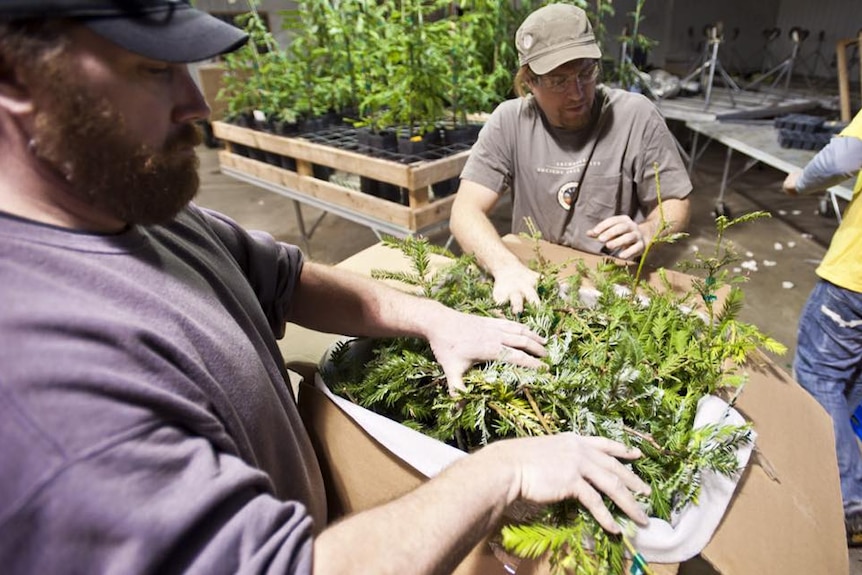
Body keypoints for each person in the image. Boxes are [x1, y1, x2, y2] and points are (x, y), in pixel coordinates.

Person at [0, 2, 652, 573]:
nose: (198, 103)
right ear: (16, 76)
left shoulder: (141, 213)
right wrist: (502, 469)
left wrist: (434, 319)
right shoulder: (42, 383)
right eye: (152, 68)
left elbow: (287, 280)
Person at [450, 3, 691, 314]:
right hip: (533, 275)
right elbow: (465, 211)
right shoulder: (510, 121)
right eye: (558, 81)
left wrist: (647, 230)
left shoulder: (635, 116)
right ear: (530, 83)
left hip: (609, 280)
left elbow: (676, 202)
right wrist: (504, 266)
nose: (577, 92)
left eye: (585, 72)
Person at [782, 109, 862, 546]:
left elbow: (840, 159)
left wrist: (799, 181)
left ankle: (847, 503)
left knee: (818, 375)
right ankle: (835, 461)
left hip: (854, 281)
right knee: (851, 377)